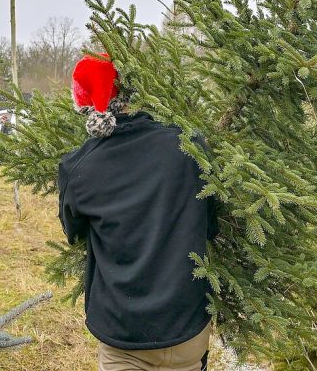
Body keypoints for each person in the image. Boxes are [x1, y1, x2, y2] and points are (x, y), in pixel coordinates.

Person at [58, 54, 218, 371]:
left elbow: (73, 233)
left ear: (87, 106)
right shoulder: (190, 145)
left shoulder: (78, 167)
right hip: (186, 324)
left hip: (122, 331)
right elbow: (211, 225)